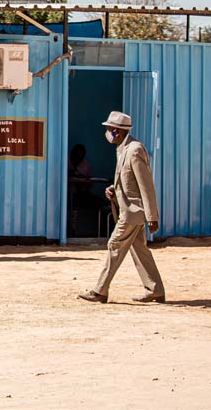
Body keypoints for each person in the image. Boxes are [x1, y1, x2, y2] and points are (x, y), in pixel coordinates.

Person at [79, 111, 166, 304]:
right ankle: (156, 290)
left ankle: (100, 291)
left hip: (133, 212)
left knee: (114, 245)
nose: (107, 133)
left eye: (109, 129)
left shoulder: (134, 150)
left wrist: (153, 216)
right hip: (129, 211)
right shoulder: (122, 149)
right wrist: (113, 189)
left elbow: (146, 185)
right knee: (140, 250)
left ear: (118, 131)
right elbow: (127, 180)